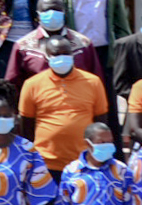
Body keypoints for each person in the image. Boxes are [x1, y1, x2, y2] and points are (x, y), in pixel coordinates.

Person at [14, 32, 108, 179]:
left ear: (73, 55)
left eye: (66, 53)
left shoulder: (93, 82)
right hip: (45, 164)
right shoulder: (32, 84)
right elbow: (26, 126)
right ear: (47, 56)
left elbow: (101, 121)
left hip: (83, 162)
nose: (62, 58)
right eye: (56, 54)